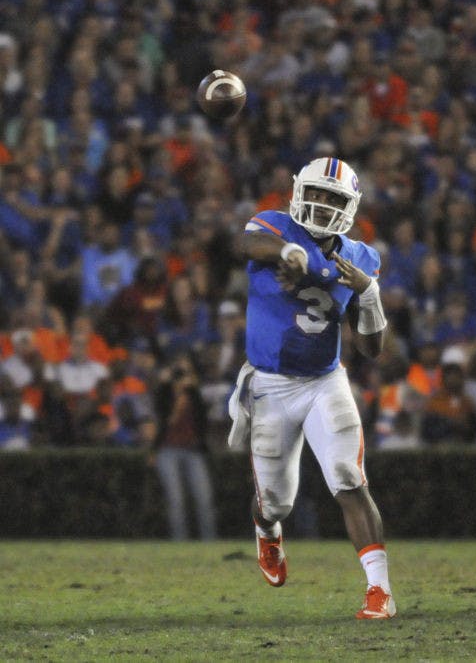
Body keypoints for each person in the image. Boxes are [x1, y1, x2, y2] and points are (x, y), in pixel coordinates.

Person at [227, 156, 396, 619]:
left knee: (348, 476)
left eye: (332, 198)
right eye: (316, 193)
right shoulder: (276, 227)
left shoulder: (362, 257)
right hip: (270, 384)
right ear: (298, 191)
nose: (321, 204)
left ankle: (379, 590)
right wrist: (287, 254)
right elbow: (245, 243)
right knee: (275, 500)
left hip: (324, 381)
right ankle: (266, 530)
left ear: (350, 207)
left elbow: (371, 348)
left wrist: (369, 295)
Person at [152, 351, 216, 541]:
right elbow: (166, 419)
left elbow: (203, 420)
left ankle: (209, 541)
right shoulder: (164, 393)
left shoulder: (195, 393)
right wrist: (173, 391)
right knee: (176, 500)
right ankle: (180, 541)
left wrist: (193, 389)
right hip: (168, 449)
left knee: (204, 498)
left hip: (193, 450)